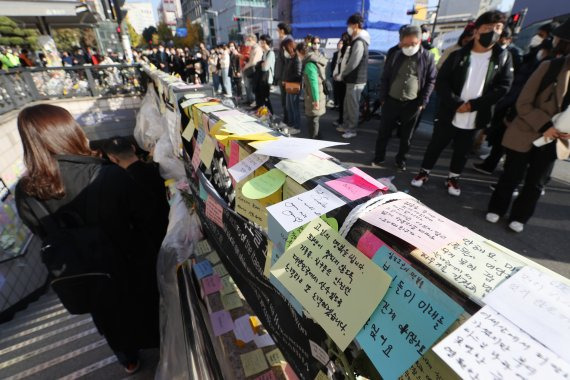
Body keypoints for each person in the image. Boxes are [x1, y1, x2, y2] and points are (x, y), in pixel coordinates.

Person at [14, 105, 161, 373]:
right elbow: (149, 219)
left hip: (85, 274)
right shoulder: (107, 175)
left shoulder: (25, 192)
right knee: (144, 308)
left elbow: (41, 232)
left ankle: (128, 359)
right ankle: (163, 345)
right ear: (69, 131)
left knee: (106, 312)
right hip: (131, 267)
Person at [410, 10, 513, 196]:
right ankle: (424, 172)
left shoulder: (503, 57)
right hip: (451, 110)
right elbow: (442, 81)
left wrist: (473, 105)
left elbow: (504, 87)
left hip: (475, 115)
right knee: (436, 145)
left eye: (498, 28)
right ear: (477, 30)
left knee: (463, 151)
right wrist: (457, 103)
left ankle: (453, 178)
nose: (493, 32)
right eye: (488, 28)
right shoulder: (458, 54)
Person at [486, 21, 570, 233]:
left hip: (557, 139)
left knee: (536, 183)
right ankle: (497, 207)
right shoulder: (550, 67)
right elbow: (523, 102)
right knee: (511, 175)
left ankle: (520, 217)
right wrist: (545, 125)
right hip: (527, 130)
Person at [473, 38, 552, 176]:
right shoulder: (533, 58)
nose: (537, 39)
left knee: (513, 146)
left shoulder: (549, 65)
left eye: (541, 35)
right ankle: (494, 166)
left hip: (523, 110)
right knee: (501, 138)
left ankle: (505, 174)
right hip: (513, 103)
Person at [372, 25, 437, 171]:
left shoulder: (427, 56)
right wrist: (382, 98)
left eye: (413, 44)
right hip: (391, 100)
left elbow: (431, 80)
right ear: (401, 42)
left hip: (413, 103)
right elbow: (385, 77)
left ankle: (401, 160)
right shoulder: (394, 53)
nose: (409, 47)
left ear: (420, 41)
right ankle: (379, 157)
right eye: (406, 44)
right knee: (384, 132)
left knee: (407, 136)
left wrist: (423, 101)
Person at [335, 13, 370, 139]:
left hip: (356, 79)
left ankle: (352, 129)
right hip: (352, 79)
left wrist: (342, 74)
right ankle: (346, 125)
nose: (348, 28)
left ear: (355, 26)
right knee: (347, 104)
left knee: (353, 106)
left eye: (349, 25)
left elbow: (353, 62)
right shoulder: (357, 41)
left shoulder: (360, 42)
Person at [296, 42, 327, 139]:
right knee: (314, 121)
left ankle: (315, 142)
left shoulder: (309, 64)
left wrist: (316, 100)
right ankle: (317, 139)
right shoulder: (313, 60)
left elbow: (314, 84)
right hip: (316, 95)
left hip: (314, 97)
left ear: (301, 52)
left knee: (313, 122)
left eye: (297, 53)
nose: (297, 56)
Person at [331, 33, 351, 129]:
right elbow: (335, 66)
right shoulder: (338, 53)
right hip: (337, 79)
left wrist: (340, 76)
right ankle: (340, 119)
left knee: (344, 102)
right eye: (340, 42)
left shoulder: (348, 51)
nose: (340, 44)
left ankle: (344, 121)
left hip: (344, 81)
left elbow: (345, 67)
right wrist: (335, 74)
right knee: (339, 101)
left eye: (342, 42)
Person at [282, 39, 302, 134]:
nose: (284, 51)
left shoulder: (296, 58)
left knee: (294, 107)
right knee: (289, 106)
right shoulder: (291, 58)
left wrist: (287, 80)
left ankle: (297, 127)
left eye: (285, 49)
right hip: (289, 85)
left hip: (294, 85)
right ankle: (291, 124)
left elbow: (298, 74)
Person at [275, 23, 294, 125]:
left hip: (287, 77)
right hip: (283, 76)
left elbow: (289, 62)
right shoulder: (283, 41)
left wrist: (284, 78)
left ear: (282, 30)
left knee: (288, 101)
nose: (277, 32)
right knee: (285, 100)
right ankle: (287, 120)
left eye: (277, 30)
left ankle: (288, 122)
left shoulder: (288, 41)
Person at [256, 35, 275, 113]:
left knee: (265, 98)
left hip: (267, 79)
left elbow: (265, 67)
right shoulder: (264, 53)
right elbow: (262, 65)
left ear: (264, 42)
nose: (259, 43)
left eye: (260, 41)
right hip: (263, 78)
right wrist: (261, 64)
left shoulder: (270, 53)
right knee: (262, 98)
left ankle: (270, 114)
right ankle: (265, 114)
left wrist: (261, 64)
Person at [243, 35, 263, 107]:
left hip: (254, 69)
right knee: (248, 86)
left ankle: (255, 102)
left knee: (253, 87)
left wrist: (246, 66)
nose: (247, 42)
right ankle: (251, 101)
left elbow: (254, 61)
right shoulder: (252, 48)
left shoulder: (257, 48)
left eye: (249, 40)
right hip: (250, 69)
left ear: (254, 40)